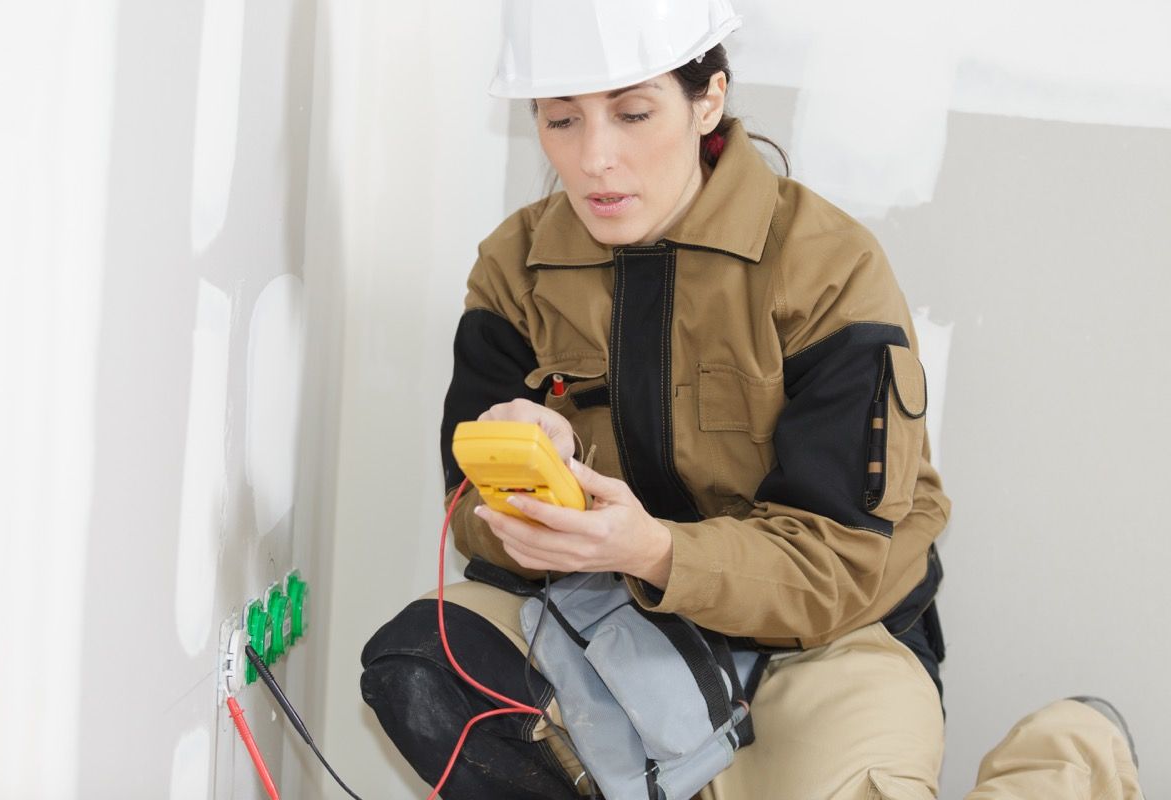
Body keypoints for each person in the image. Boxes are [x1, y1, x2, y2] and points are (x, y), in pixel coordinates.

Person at [360, 2, 1145, 798]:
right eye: (562, 121)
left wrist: (654, 550)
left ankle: (1069, 757)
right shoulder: (515, 268)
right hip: (610, 625)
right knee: (422, 665)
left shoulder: (828, 270)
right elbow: (468, 519)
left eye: (633, 112)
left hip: (823, 640)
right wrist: (521, 508)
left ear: (708, 99)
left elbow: (834, 561)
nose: (596, 157)